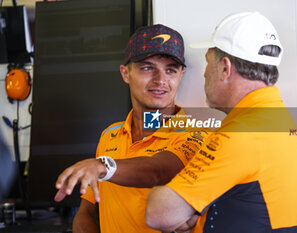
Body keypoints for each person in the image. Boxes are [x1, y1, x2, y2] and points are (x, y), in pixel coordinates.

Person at [146, 12, 297, 233]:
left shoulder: (241, 134)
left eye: (207, 63)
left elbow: (158, 214)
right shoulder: (278, 119)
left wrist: (173, 201)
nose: (204, 74)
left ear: (225, 68)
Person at [54, 24, 208, 233]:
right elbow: (87, 213)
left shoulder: (197, 132)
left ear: (181, 75)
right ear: (125, 73)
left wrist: (103, 166)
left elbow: (158, 170)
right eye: (147, 67)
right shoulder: (110, 136)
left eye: (170, 70)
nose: (160, 80)